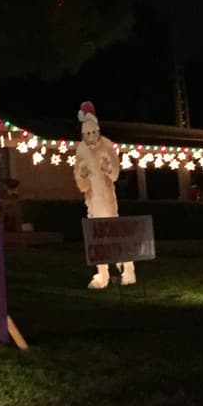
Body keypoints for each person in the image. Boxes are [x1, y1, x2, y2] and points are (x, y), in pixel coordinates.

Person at [73, 100, 134, 287]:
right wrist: (82, 174)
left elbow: (114, 174)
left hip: (107, 199)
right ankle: (103, 274)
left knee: (114, 235)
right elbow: (80, 180)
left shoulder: (107, 146)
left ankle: (128, 270)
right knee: (97, 237)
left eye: (93, 132)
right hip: (93, 200)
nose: (91, 136)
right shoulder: (81, 150)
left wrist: (107, 167)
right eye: (87, 133)